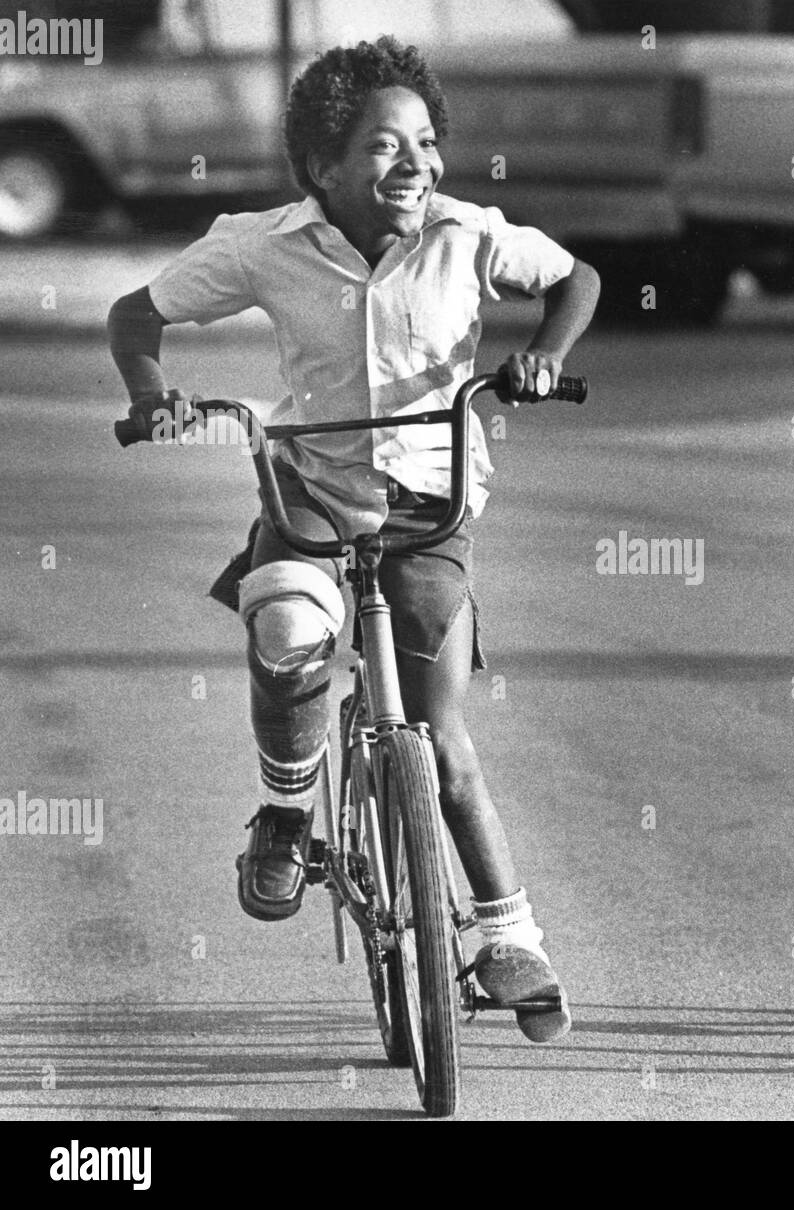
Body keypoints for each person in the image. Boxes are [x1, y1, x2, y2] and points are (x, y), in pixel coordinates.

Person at [107, 36, 599, 1041]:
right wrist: (152, 394)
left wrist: (542, 357)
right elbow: (134, 316)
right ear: (323, 167)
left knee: (438, 732)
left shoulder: (468, 233)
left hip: (431, 512)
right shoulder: (261, 243)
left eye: (424, 141)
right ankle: (288, 807)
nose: (414, 163)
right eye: (383, 146)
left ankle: (511, 937)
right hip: (312, 501)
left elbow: (576, 278)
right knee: (287, 630)